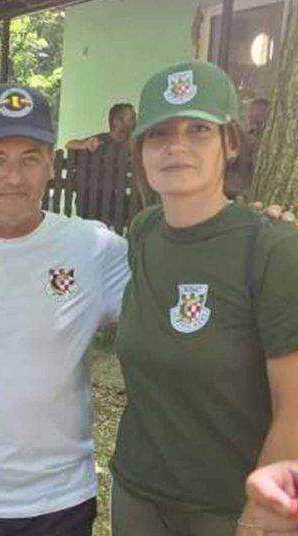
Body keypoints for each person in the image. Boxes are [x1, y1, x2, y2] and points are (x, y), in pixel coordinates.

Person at [0, 85, 128, 535]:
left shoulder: (94, 249)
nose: (14, 177)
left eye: (30, 159)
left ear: (51, 164)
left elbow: (181, 286)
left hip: (59, 503)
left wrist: (251, 232)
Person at [111, 60, 298, 536]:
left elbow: (294, 403)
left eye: (198, 129)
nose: (176, 146)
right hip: (137, 497)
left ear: (230, 143)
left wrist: (261, 511)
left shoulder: (272, 250)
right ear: (141, 151)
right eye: (159, 134)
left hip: (227, 508)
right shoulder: (143, 233)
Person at [65, 102, 136, 152]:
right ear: (117, 121)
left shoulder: (134, 143)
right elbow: (69, 145)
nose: (135, 122)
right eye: (131, 119)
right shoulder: (100, 141)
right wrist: (84, 145)